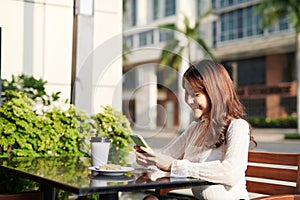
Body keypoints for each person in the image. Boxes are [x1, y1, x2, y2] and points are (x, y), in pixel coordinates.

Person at [134, 59, 256, 200]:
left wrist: (173, 166)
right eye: (186, 92)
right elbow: (166, 156)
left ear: (215, 93)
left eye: (195, 94)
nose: (189, 100)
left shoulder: (237, 126)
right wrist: (149, 160)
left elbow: (230, 173)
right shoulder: (195, 128)